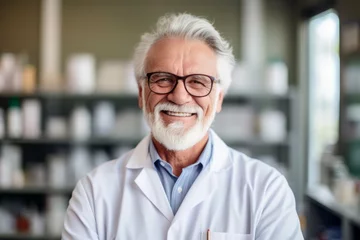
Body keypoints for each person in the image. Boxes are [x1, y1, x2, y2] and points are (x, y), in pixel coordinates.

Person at [62, 13, 303, 240]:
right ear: (141, 93)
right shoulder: (94, 192)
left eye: (198, 81)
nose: (179, 97)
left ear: (218, 98)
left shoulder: (266, 190)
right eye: (163, 79)